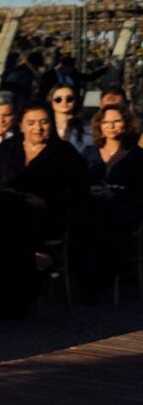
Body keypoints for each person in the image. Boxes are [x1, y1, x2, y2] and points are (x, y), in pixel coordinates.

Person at [0, 103, 87, 319]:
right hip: (8, 215)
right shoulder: (6, 149)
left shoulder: (64, 152)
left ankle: (18, 297)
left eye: (44, 122)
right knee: (8, 215)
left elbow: (79, 191)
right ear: (21, 125)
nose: (38, 128)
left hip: (48, 214)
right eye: (31, 123)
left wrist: (47, 202)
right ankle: (3, 297)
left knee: (12, 222)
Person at [74, 103, 143, 298]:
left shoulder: (138, 156)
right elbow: (78, 182)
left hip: (124, 209)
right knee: (85, 215)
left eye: (116, 121)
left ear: (127, 124)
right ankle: (87, 277)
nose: (111, 126)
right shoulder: (89, 152)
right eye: (106, 122)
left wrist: (114, 195)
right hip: (91, 209)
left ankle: (100, 278)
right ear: (99, 126)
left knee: (102, 213)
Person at [48, 83, 91, 153]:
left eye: (69, 99)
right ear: (51, 103)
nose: (64, 102)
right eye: (58, 99)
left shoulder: (87, 129)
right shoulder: (44, 127)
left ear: (75, 101)